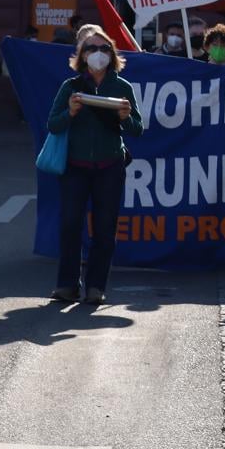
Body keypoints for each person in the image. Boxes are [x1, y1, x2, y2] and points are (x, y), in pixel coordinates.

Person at [46, 27, 143, 304]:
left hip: (110, 166)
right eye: (91, 48)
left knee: (104, 228)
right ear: (81, 55)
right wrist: (70, 112)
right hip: (75, 167)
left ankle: (96, 287)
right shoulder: (70, 86)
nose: (97, 54)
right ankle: (67, 285)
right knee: (70, 225)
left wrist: (125, 117)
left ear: (112, 55)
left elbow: (138, 129)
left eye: (104, 48)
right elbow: (52, 124)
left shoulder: (123, 87)